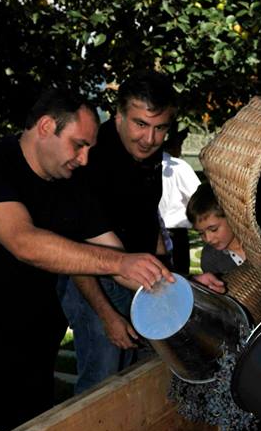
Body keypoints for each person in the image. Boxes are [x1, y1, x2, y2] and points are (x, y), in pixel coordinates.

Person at [0, 88, 173, 431]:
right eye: (78, 145)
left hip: (32, 346)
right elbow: (24, 242)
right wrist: (119, 264)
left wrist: (182, 288)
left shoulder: (69, 186)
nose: (85, 159)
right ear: (45, 127)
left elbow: (117, 255)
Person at [58, 72, 222, 394]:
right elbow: (73, 252)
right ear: (118, 115)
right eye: (140, 124)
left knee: (140, 369)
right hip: (90, 280)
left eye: (160, 128)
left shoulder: (147, 159)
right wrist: (107, 315)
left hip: (136, 274)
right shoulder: (90, 161)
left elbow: (151, 230)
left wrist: (177, 280)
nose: (150, 139)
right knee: (102, 379)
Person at [186, 181, 246, 275]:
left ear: (231, 217)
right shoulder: (210, 259)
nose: (208, 239)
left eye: (213, 229)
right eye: (201, 233)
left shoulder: (259, 243)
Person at [159, 150, 201, 273]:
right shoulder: (178, 167)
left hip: (172, 231)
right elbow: (196, 198)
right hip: (174, 233)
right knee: (179, 275)